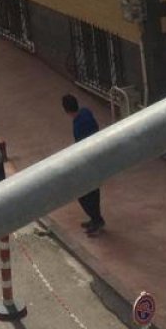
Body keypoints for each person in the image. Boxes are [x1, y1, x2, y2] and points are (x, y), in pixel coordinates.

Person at [62, 93, 105, 235]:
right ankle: (95, 218)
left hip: (88, 162)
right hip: (94, 160)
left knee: (85, 193)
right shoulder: (85, 114)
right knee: (90, 192)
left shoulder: (80, 123)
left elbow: (83, 144)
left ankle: (97, 220)